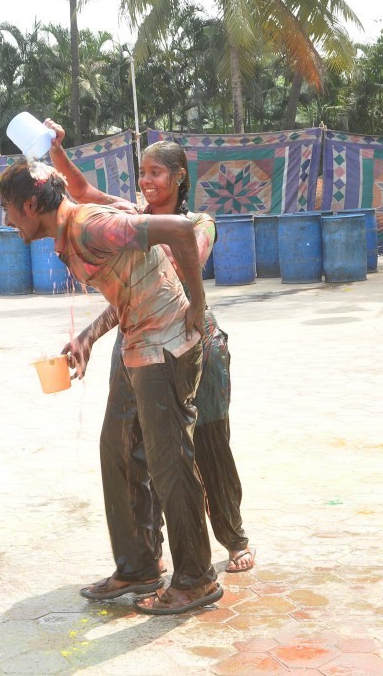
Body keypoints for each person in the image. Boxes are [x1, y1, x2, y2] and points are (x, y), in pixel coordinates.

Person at [0, 159, 222, 615]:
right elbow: (130, 281)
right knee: (116, 448)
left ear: (32, 204)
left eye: (8, 209)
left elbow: (180, 228)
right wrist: (88, 337)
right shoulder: (71, 235)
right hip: (136, 340)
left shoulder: (91, 227)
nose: (6, 220)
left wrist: (197, 303)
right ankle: (137, 565)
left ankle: (196, 578)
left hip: (166, 344)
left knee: (169, 461)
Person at [48, 121, 255, 574]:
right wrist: (56, 148)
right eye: (142, 173)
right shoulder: (129, 217)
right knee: (143, 451)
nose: (146, 182)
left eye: (156, 173)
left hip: (189, 339)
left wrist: (91, 331)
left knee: (206, 443)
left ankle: (232, 536)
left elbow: (180, 274)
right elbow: (80, 190)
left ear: (180, 176)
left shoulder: (198, 224)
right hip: (137, 341)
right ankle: (151, 555)